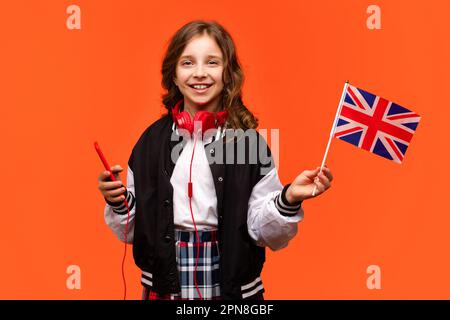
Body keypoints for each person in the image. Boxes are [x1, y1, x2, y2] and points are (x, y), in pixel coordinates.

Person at [97, 20, 333, 300]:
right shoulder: (150, 142)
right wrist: (117, 199)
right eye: (187, 63)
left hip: (232, 289)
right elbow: (134, 231)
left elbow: (265, 233)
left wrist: (289, 198)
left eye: (212, 63)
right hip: (166, 286)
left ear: (227, 74)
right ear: (173, 74)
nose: (199, 73)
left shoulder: (247, 143)